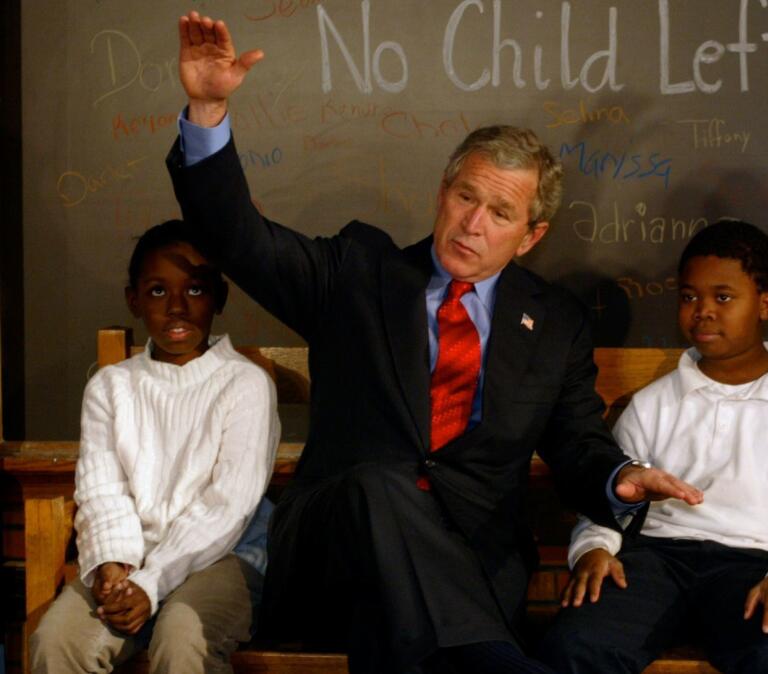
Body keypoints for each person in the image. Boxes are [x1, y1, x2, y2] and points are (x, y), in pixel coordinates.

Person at [168, 11, 703, 673]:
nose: (473, 224)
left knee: (406, 637)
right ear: (443, 190)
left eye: (500, 213)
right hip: (335, 554)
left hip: (470, 571)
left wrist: (620, 480)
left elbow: (575, 444)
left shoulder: (555, 322)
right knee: (381, 482)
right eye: (465, 197)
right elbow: (236, 239)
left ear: (530, 236)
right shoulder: (357, 273)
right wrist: (208, 108)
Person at [539, 220, 768, 674]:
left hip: (757, 568)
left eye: (723, 297)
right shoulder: (653, 404)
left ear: (765, 304)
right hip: (655, 562)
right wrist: (595, 547)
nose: (703, 311)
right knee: (576, 644)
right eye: (690, 297)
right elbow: (611, 499)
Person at [29, 220, 280, 673]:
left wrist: (152, 581)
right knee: (56, 640)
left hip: (224, 556)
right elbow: (103, 490)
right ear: (134, 300)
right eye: (159, 292)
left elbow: (229, 507)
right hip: (131, 558)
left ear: (220, 298)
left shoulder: (245, 385)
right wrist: (112, 562)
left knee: (183, 638)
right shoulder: (111, 387)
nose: (178, 307)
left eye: (197, 291)